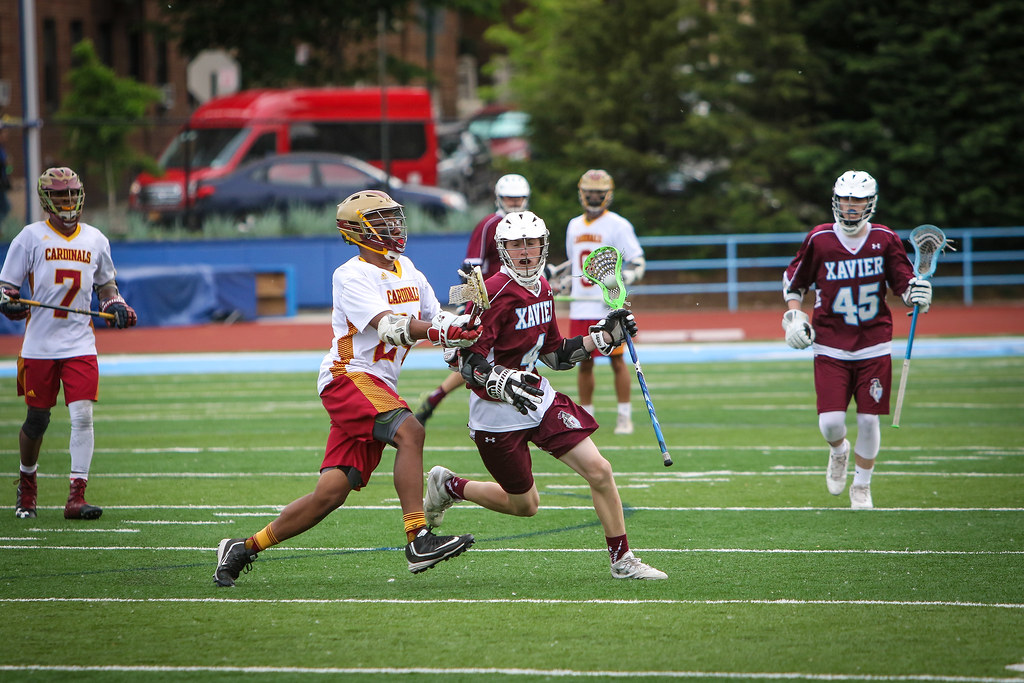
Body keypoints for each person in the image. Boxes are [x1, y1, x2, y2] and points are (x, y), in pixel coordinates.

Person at [213, 190, 479, 587]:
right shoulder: (351, 274)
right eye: (385, 220)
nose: (395, 226)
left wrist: (469, 320)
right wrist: (446, 330)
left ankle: (243, 547)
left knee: (330, 493)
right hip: (348, 377)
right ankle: (417, 539)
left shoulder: (407, 267)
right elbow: (390, 326)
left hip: (377, 384)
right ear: (359, 229)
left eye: (394, 218)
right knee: (411, 431)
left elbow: (434, 316)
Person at [423, 210, 667, 580]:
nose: (525, 251)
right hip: (496, 413)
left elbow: (554, 354)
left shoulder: (545, 288)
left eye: (531, 243)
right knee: (525, 506)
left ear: (543, 246)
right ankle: (449, 485)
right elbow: (464, 361)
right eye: (516, 244)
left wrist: (602, 338)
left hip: (538, 397)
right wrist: (499, 380)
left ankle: (622, 559)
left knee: (599, 470)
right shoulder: (491, 293)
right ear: (503, 249)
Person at [782, 170, 933, 509]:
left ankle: (862, 485)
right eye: (846, 199)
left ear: (870, 203)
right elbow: (795, 282)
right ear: (836, 201)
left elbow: (904, 285)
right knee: (831, 422)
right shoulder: (820, 238)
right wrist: (794, 315)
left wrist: (918, 294)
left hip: (873, 342)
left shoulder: (884, 238)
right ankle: (839, 451)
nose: (851, 206)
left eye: (858, 199)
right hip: (831, 342)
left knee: (868, 419)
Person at [0, 167, 138, 520]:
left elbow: (107, 288)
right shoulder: (29, 238)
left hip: (79, 343)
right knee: (37, 421)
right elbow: (7, 289)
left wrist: (116, 306)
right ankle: (27, 486)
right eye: (61, 195)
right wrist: (10, 303)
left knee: (82, 415)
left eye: (73, 194)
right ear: (47, 199)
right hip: (40, 345)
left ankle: (76, 496)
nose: (68, 201)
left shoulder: (95, 239)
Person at [414, 173, 531, 425]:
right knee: (477, 357)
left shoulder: (531, 224)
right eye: (509, 198)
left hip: (518, 302)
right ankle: (470, 409)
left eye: (518, 198)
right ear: (499, 198)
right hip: (491, 303)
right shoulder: (490, 225)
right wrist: (467, 302)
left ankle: (438, 399)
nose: (514, 202)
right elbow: (471, 267)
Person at [562, 169, 645, 435]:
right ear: (581, 193)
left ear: (607, 195)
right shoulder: (574, 225)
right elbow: (575, 263)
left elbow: (638, 261)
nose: (594, 198)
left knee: (617, 360)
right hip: (579, 305)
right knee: (582, 360)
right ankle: (586, 415)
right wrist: (564, 280)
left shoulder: (618, 225)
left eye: (599, 193)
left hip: (606, 305)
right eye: (590, 193)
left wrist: (623, 279)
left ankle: (624, 416)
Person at [0, 123, 12, 227]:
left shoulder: (2, 148)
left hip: (3, 184)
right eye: (3, 133)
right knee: (5, 208)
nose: (5, 135)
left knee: (6, 208)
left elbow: (8, 168)